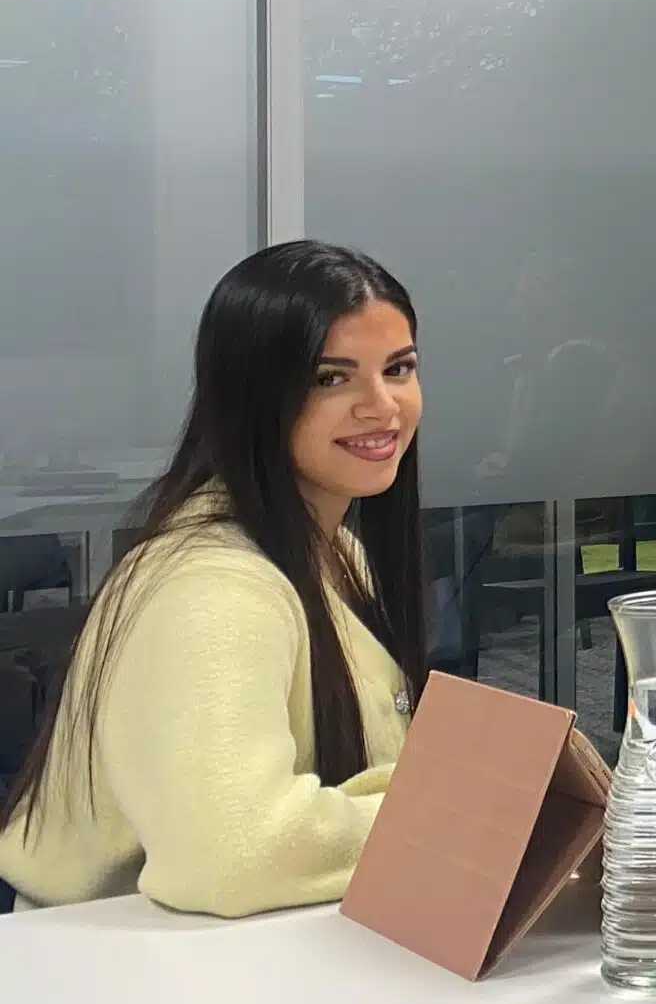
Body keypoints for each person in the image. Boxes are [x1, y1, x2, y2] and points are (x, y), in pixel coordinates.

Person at [0, 242, 430, 916]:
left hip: (255, 956)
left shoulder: (336, 548)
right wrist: (457, 822)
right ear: (255, 396)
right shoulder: (211, 585)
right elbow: (232, 854)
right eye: (331, 379)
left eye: (398, 368)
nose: (382, 406)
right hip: (112, 981)